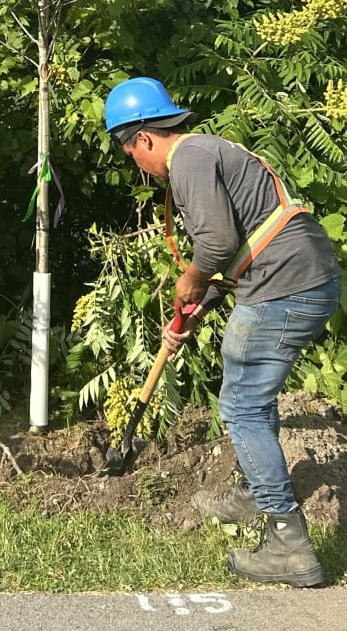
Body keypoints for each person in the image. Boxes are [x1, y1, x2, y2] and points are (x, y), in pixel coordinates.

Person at [104, 76, 342, 588]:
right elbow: (237, 252)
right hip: (301, 278)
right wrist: (194, 312)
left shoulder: (187, 159)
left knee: (242, 406)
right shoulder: (208, 152)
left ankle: (288, 543)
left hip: (285, 285)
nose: (139, 168)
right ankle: (260, 491)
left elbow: (214, 244)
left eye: (130, 155)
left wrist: (189, 282)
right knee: (255, 397)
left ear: (143, 138)